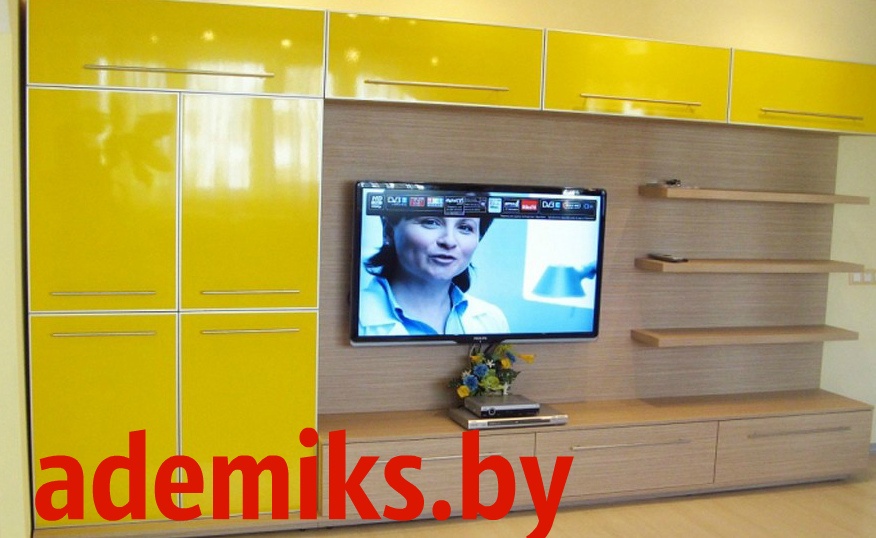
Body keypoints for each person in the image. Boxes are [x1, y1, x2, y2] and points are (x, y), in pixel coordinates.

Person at [358, 213, 510, 336]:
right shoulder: (355, 317)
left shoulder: (493, 320)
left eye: (465, 227)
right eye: (430, 222)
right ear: (389, 231)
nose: (449, 241)